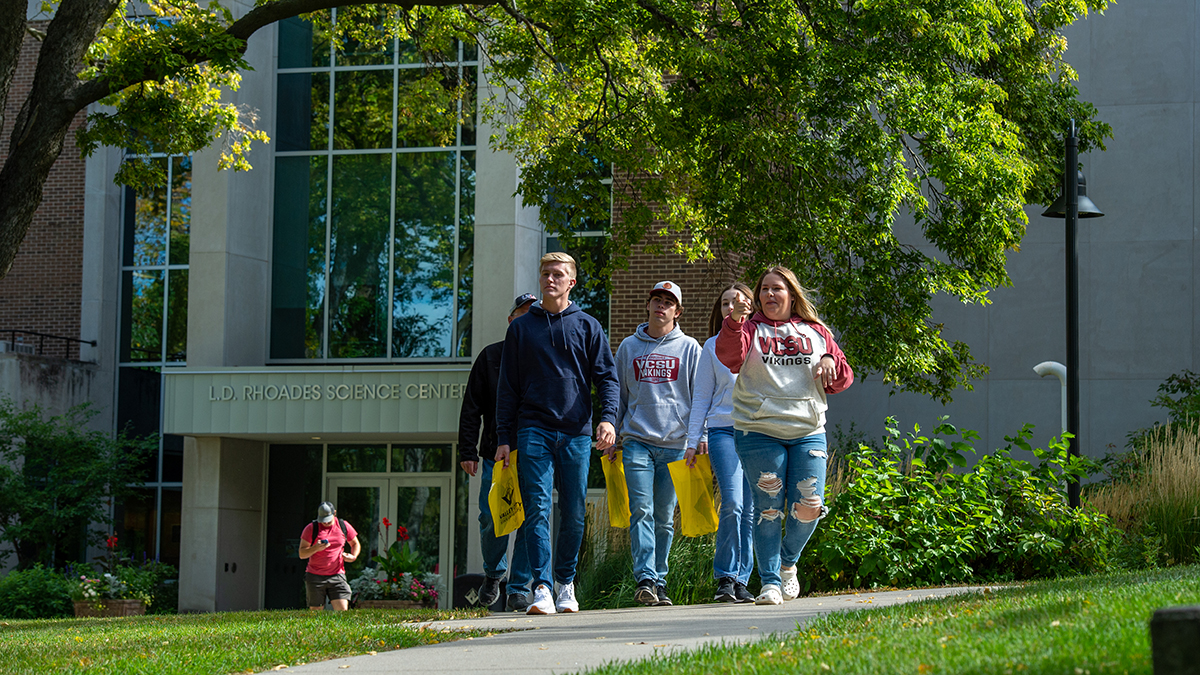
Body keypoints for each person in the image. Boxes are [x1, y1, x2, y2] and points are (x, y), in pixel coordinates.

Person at [716, 265, 853, 606]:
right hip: (759, 430)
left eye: (777, 289)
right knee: (768, 509)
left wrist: (828, 362)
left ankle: (788, 561)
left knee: (809, 506)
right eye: (764, 289)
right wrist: (733, 321)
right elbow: (729, 357)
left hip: (807, 430)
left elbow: (842, 377)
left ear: (792, 294)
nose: (769, 294)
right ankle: (770, 583)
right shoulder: (749, 329)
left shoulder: (817, 331)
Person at [495, 252, 619, 615]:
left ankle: (566, 582)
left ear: (571, 282)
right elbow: (508, 388)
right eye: (545, 273)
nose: (550, 279)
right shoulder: (520, 329)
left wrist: (608, 419)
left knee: (574, 511)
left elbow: (607, 378)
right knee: (536, 508)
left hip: (577, 432)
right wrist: (504, 437)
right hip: (533, 428)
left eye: (557, 274)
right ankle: (543, 587)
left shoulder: (588, 326)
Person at [610, 281, 701, 607]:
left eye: (668, 302)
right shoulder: (628, 348)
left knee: (664, 516)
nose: (661, 306)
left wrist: (698, 437)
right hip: (636, 441)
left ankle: (660, 582)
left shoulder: (690, 348)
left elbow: (700, 396)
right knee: (642, 510)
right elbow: (617, 395)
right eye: (656, 300)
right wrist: (611, 431)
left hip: (675, 445)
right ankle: (645, 579)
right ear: (648, 306)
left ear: (677, 311)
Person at [458, 292, 537, 612]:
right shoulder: (490, 357)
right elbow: (471, 407)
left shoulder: (545, 358)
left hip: (535, 453)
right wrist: (468, 449)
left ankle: (519, 586)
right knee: (491, 518)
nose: (527, 320)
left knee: (533, 519)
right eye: (522, 314)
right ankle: (493, 573)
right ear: (511, 320)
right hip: (495, 453)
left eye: (534, 315)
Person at [684, 282, 756, 604]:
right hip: (723, 430)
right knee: (733, 503)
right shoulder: (711, 346)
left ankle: (744, 579)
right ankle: (725, 577)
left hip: (757, 433)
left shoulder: (761, 343)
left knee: (752, 510)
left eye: (737, 303)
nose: (731, 308)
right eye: (726, 303)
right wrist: (693, 438)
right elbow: (701, 396)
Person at [298, 501, 361, 610]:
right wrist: (315, 548)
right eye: (323, 520)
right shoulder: (311, 528)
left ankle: (341, 628)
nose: (325, 523)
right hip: (315, 575)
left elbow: (355, 544)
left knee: (342, 610)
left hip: (337, 574)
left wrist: (353, 556)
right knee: (315, 614)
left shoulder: (343, 526)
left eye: (328, 520)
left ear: (334, 513)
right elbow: (302, 554)